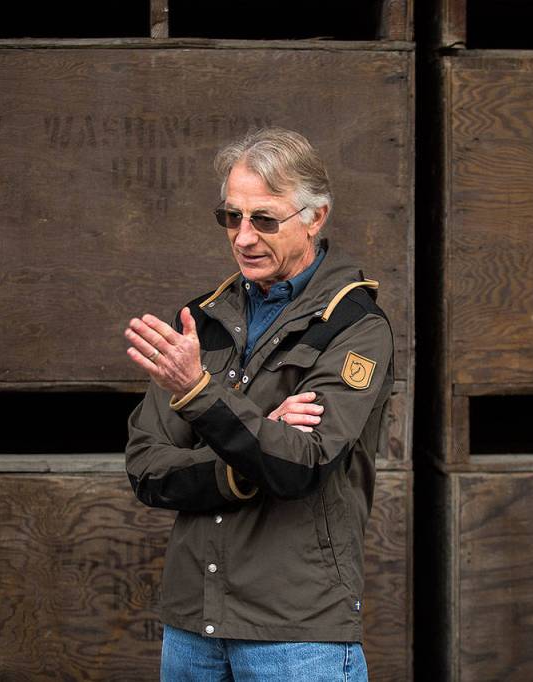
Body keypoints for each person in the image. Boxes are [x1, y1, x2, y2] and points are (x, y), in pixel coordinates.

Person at [124, 127, 393, 681]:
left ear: (315, 217)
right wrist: (250, 454)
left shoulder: (355, 327)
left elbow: (299, 465)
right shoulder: (200, 321)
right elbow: (147, 468)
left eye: (264, 220)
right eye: (232, 217)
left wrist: (200, 396)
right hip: (192, 624)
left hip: (296, 634)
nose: (243, 237)